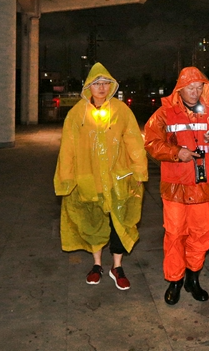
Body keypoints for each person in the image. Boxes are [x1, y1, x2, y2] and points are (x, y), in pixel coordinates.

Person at [144, 67, 209, 305]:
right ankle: (174, 280)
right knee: (174, 235)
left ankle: (192, 278)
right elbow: (151, 142)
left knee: (202, 235)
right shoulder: (164, 114)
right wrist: (176, 153)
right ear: (179, 89)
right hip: (175, 187)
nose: (195, 92)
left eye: (199, 87)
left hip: (204, 187)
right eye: (190, 88)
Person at [54, 62, 149, 290]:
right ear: (89, 86)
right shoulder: (77, 113)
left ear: (111, 86)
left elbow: (134, 141)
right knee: (92, 219)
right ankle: (97, 265)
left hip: (118, 177)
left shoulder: (121, 110)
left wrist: (139, 170)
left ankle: (117, 266)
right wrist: (67, 178)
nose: (102, 87)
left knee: (120, 221)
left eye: (105, 83)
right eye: (97, 83)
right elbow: (67, 148)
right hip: (88, 177)